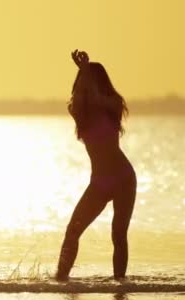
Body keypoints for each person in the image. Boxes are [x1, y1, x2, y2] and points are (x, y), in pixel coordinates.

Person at [56, 50, 137, 281]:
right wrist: (83, 72)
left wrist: (85, 70)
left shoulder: (111, 105)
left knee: (118, 234)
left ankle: (120, 287)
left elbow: (97, 98)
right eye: (80, 82)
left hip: (123, 178)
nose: (82, 87)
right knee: (73, 231)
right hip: (99, 183)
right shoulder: (78, 111)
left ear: (97, 83)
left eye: (87, 81)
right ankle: (60, 281)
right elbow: (85, 99)